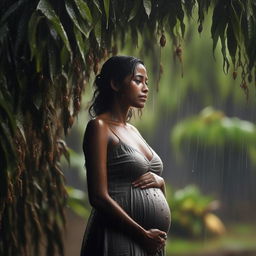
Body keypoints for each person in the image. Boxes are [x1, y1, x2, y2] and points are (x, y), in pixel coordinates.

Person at [80, 56, 171, 256]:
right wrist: (141, 235)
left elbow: (151, 181)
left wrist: (160, 182)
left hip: (150, 241)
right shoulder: (99, 127)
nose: (145, 88)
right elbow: (98, 197)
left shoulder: (133, 131)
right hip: (119, 237)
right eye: (138, 81)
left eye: (146, 82)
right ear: (115, 84)